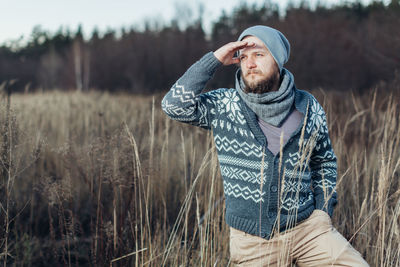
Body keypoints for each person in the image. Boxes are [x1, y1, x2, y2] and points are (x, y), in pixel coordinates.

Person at [161, 25, 369, 266]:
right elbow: (173, 106)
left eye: (259, 54)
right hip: (253, 242)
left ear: (278, 60)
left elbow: (324, 161)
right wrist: (216, 58)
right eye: (243, 56)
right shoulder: (224, 105)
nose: (249, 64)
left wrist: (323, 211)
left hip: (309, 230)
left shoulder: (308, 106)